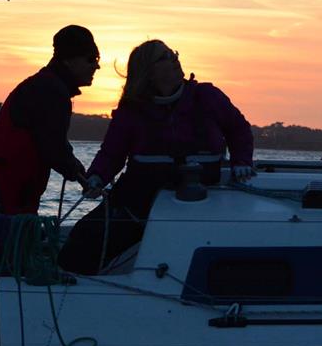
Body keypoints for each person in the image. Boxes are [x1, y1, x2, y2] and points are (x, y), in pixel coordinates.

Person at [58, 39, 254, 274]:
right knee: (83, 240)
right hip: (138, 197)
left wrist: (241, 162)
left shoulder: (207, 97)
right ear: (148, 71)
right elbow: (113, 152)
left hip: (199, 193)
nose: (175, 59)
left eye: (173, 54)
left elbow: (238, 129)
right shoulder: (132, 109)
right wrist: (97, 176)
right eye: (165, 57)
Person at [0, 25, 100, 261]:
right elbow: (54, 148)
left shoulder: (46, 86)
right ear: (69, 60)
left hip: (5, 192)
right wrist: (81, 176)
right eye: (91, 59)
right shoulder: (51, 92)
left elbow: (54, 143)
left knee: (12, 267)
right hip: (4, 194)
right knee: (11, 270)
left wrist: (77, 170)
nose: (96, 66)